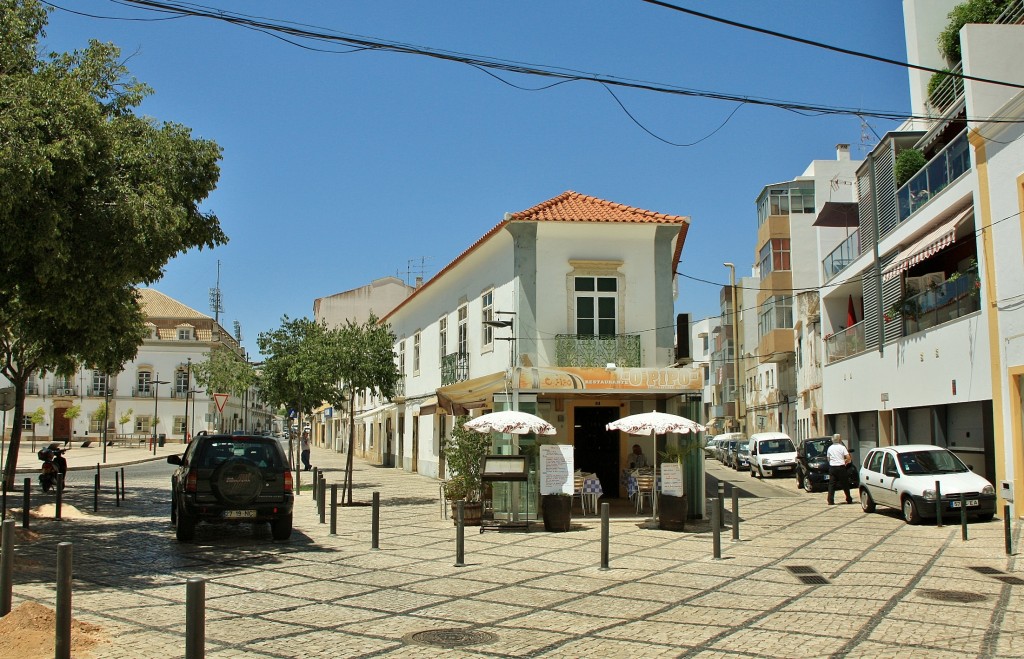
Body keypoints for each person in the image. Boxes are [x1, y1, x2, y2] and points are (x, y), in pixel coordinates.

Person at [826, 434, 853, 505]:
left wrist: (832, 462)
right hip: (841, 467)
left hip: (832, 467)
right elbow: (848, 457)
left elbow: (828, 458)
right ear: (839, 440)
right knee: (845, 484)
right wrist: (845, 462)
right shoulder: (842, 447)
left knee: (832, 484)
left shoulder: (830, 448)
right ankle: (848, 498)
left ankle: (830, 500)